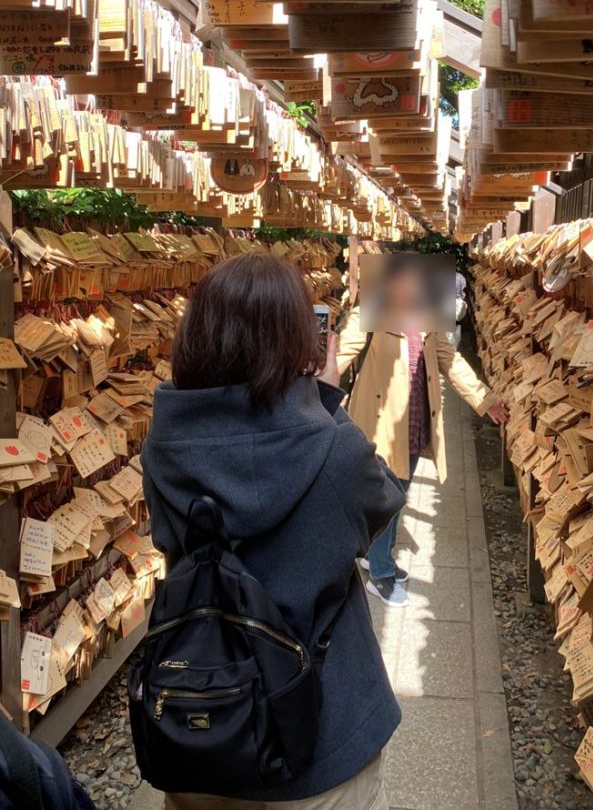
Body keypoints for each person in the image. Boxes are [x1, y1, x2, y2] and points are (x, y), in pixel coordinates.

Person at [141, 253, 405, 810]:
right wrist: (325, 400)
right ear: (298, 338)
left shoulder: (165, 446)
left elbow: (170, 542)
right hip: (321, 728)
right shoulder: (330, 448)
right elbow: (383, 499)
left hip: (200, 713)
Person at [337, 255, 508, 609]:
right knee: (389, 495)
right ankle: (380, 574)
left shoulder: (427, 318)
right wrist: (309, 387)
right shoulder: (370, 312)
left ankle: (376, 555)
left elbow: (450, 360)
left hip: (416, 424)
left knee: (399, 493)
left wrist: (484, 399)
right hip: (382, 423)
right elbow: (344, 351)